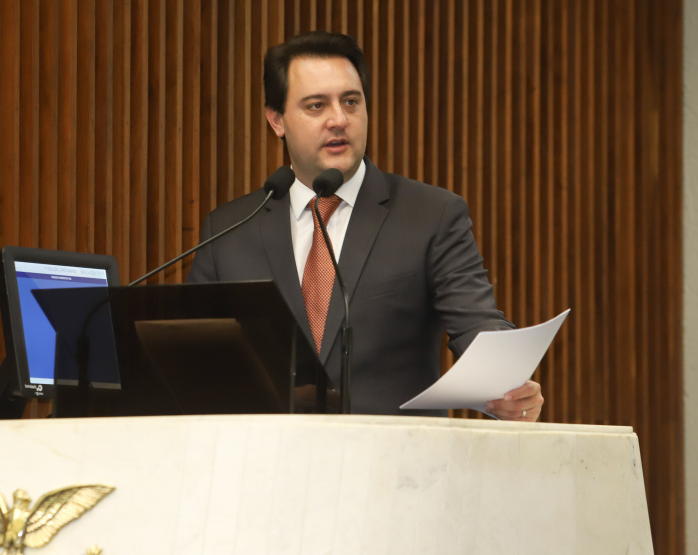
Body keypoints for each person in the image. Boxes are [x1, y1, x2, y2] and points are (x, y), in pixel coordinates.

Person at [187, 31, 543, 421]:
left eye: (351, 102)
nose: (338, 120)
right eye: (316, 105)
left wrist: (505, 380)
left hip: (395, 467)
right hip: (265, 469)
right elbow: (189, 358)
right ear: (277, 121)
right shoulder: (229, 230)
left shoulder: (430, 214)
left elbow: (476, 320)